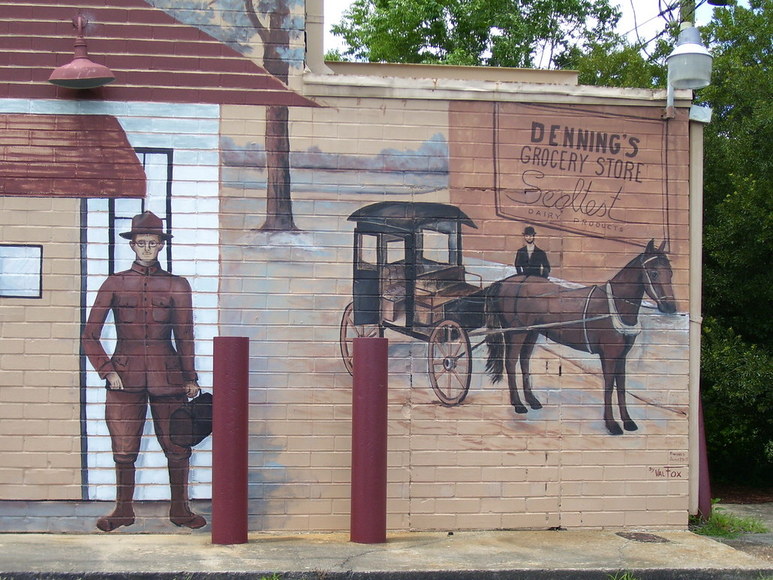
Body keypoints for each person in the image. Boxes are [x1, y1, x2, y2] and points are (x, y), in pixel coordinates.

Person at [82, 211, 205, 532]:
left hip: (169, 378)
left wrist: (190, 377)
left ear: (161, 246)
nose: (147, 248)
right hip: (124, 379)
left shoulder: (177, 285)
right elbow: (89, 335)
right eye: (142, 243)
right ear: (133, 245)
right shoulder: (115, 282)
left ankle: (180, 510)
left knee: (178, 446)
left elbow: (185, 335)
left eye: (153, 243)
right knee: (123, 449)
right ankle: (123, 511)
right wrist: (106, 370)